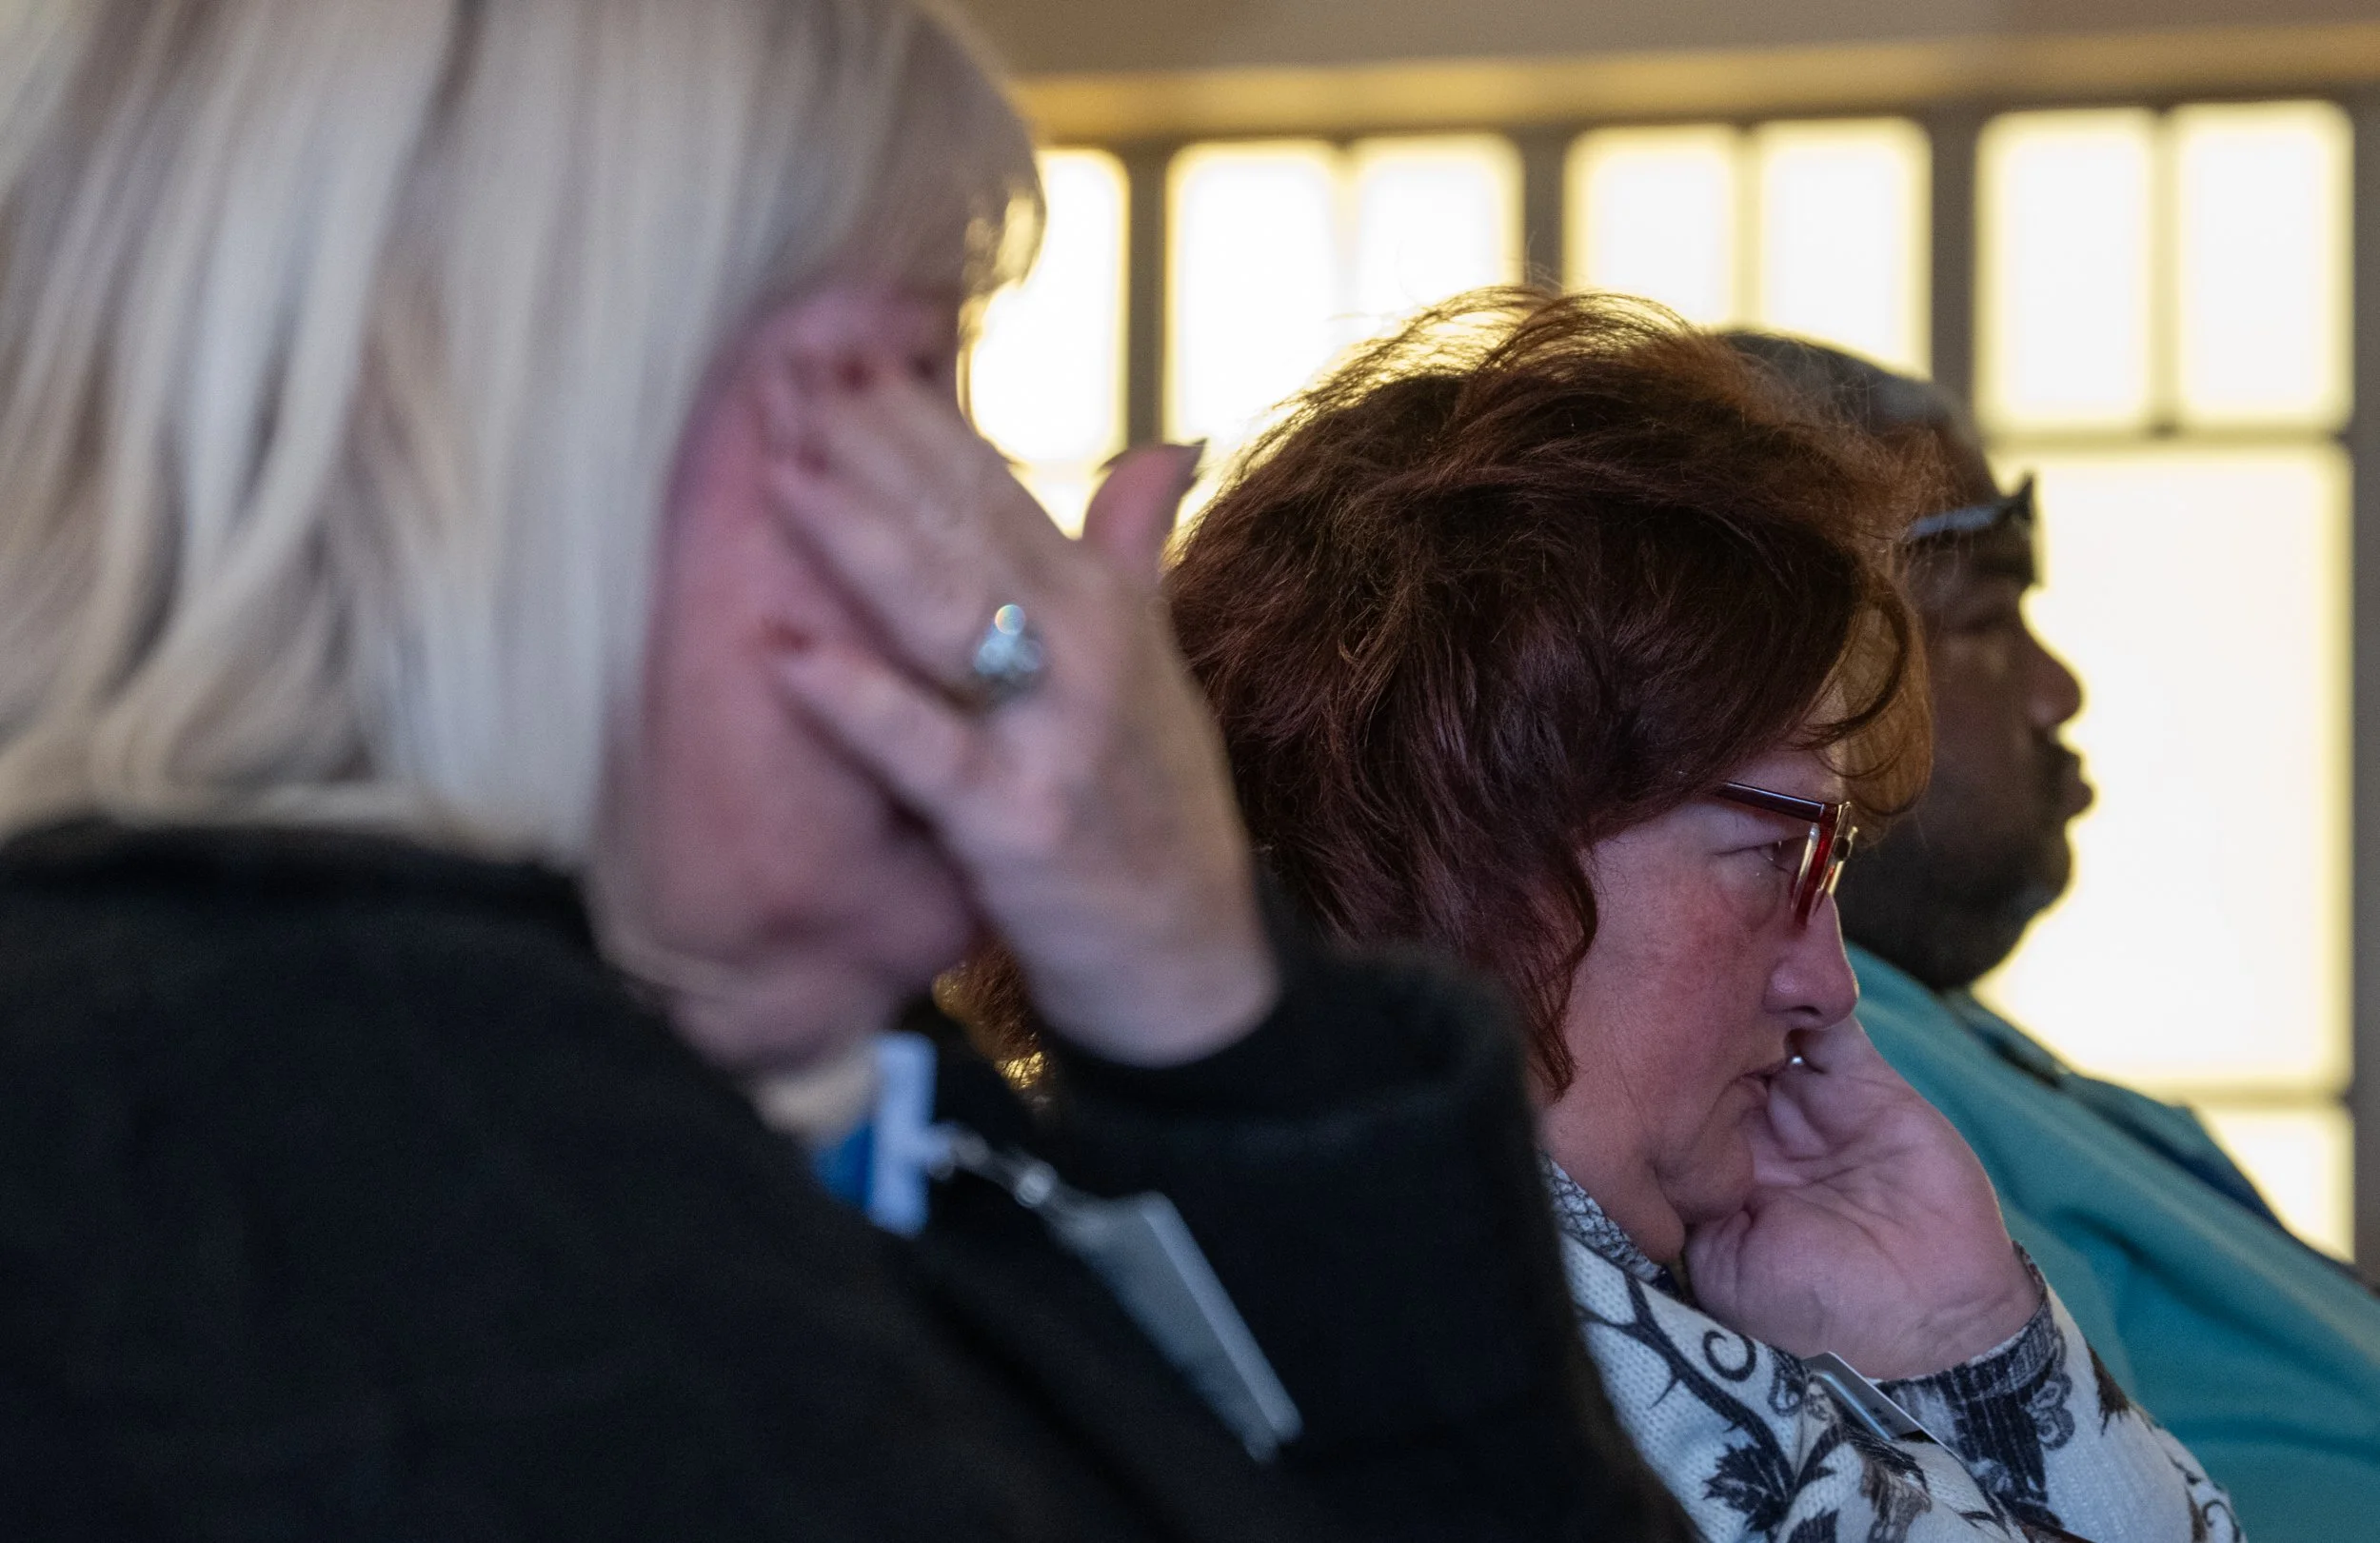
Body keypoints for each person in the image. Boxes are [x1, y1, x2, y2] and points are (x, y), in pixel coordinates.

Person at [0, 5, 1687, 1539]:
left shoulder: (766, 1064)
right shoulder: (312, 1143)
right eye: (894, 379)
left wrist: (1200, 999)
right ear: (507, 449)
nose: (1001, 544)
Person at [1152, 289, 2244, 1542]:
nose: (1828, 988)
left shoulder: (1584, 1278)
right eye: (1776, 852)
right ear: (1480, 835)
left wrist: (1962, 1343)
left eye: (1828, 872)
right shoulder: (1384, 1340)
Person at [1725, 330, 2380, 1543]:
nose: (2052, 691)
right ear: (1796, 673)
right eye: (1985, 618)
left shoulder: (1936, 1024)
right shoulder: (1805, 1067)